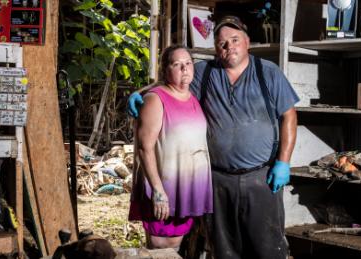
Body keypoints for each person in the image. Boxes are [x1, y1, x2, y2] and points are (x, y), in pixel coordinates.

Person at [128, 16, 299, 259]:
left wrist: (284, 161)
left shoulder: (267, 72)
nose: (229, 47)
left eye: (234, 40)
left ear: (247, 42)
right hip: (217, 180)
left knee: (267, 248)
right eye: (222, 43)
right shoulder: (204, 72)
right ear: (216, 48)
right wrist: (140, 92)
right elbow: (173, 81)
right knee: (224, 249)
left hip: (260, 178)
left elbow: (289, 116)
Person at [128, 45, 213, 250]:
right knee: (160, 246)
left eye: (188, 63)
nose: (184, 69)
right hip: (164, 188)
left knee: (174, 246)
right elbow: (144, 148)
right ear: (165, 70)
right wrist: (158, 191)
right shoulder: (156, 99)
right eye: (177, 64)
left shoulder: (192, 96)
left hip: (186, 188)